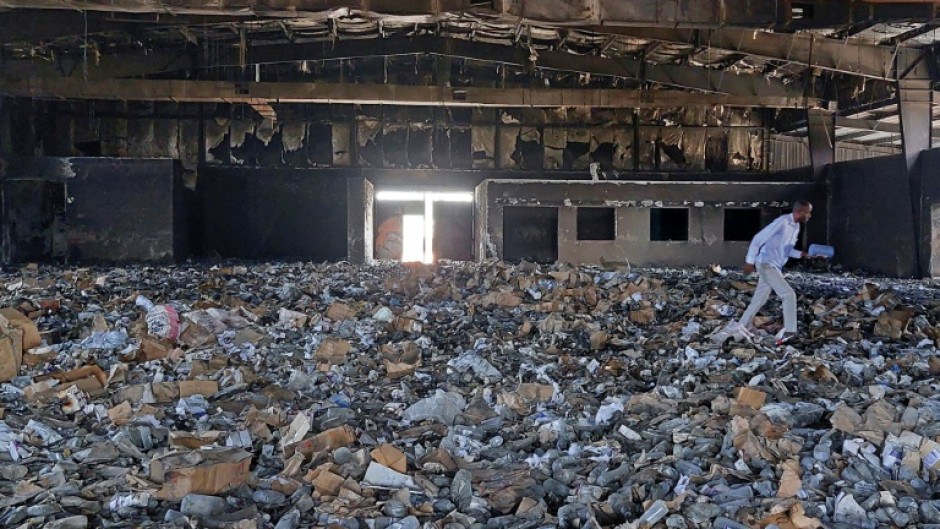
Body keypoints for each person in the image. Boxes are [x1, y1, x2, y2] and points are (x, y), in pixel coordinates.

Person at [738, 200, 815, 345]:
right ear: (799, 212)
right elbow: (758, 239)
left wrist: (803, 255)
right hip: (766, 264)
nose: (809, 215)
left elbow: (786, 250)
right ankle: (790, 331)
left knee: (759, 300)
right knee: (788, 294)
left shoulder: (796, 227)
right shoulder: (782, 222)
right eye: (808, 212)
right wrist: (749, 261)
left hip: (774, 266)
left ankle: (741, 326)